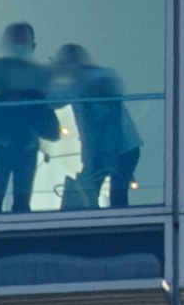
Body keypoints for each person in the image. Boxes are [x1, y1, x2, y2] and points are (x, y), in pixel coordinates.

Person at [0, 23, 60, 214]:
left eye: (22, 41)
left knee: (22, 199)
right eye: (15, 41)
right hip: (2, 142)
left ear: (32, 46)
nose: (18, 46)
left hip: (25, 142)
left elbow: (49, 104)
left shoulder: (39, 74)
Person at [51, 42, 144, 209]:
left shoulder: (95, 80)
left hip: (122, 148)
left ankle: (116, 228)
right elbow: (52, 100)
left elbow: (107, 118)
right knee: (99, 193)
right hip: (115, 149)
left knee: (111, 194)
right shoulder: (82, 82)